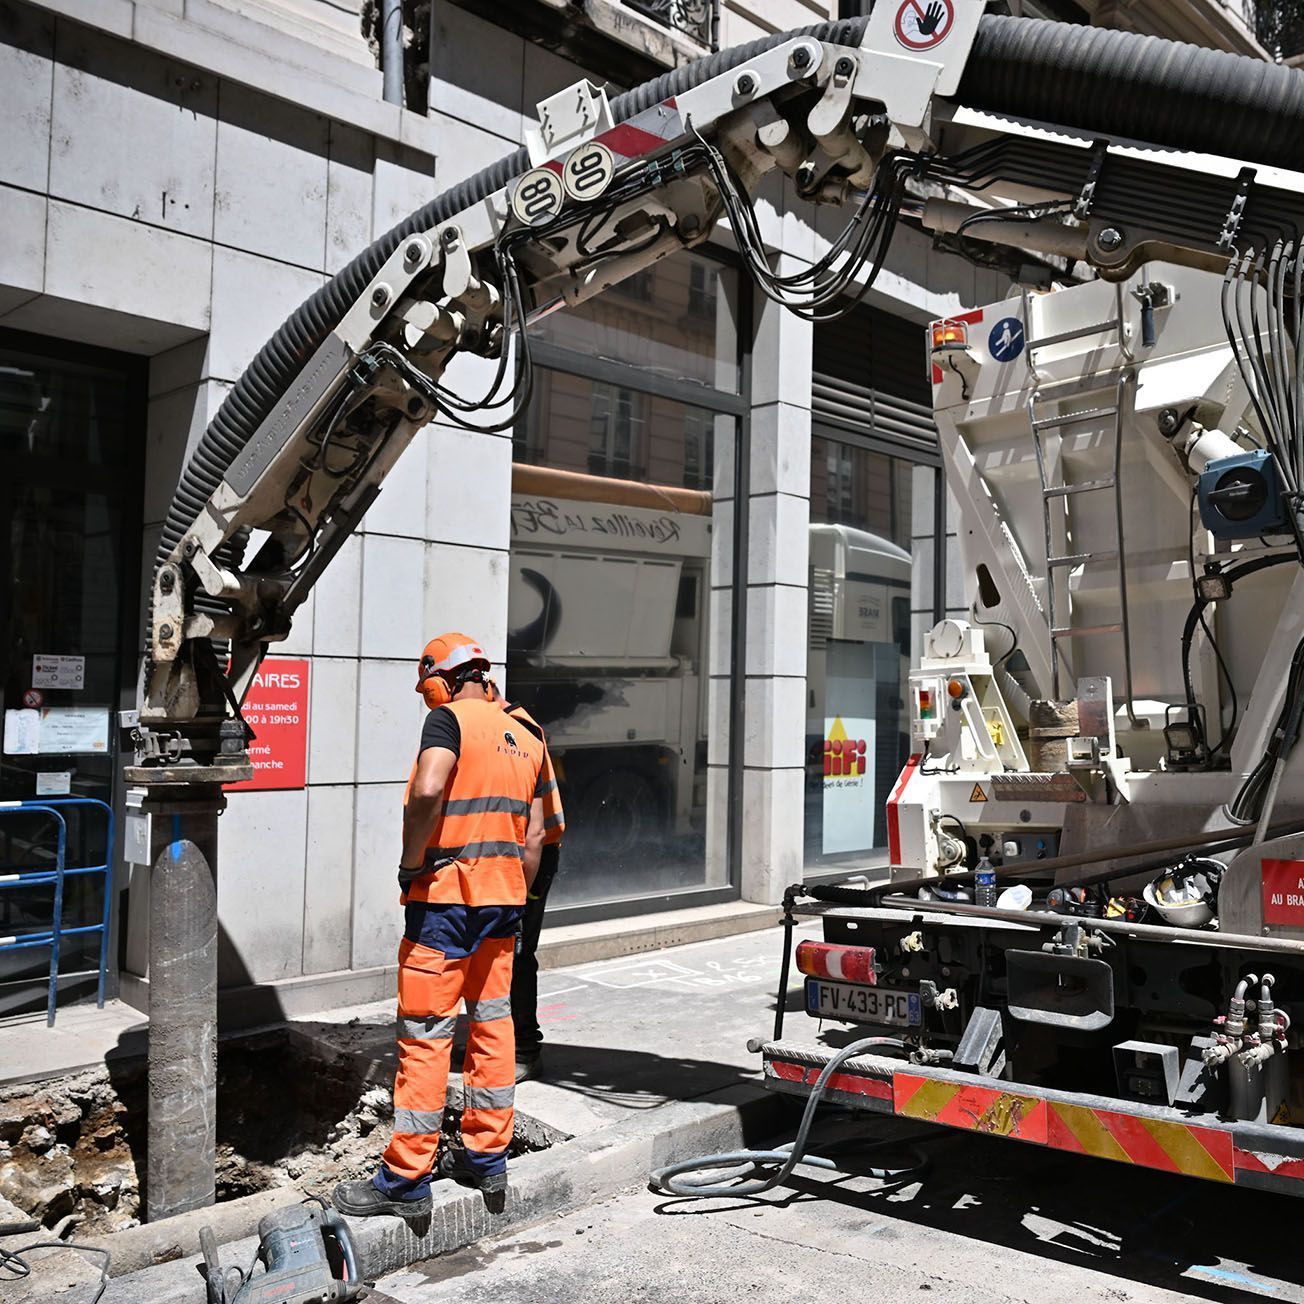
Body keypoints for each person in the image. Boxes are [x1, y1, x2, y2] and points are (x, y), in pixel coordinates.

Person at [333, 633, 545, 1219]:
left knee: (425, 1036)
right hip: (504, 904)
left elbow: (428, 789)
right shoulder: (528, 732)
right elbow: (534, 838)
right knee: (493, 1026)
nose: (429, 701)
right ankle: (485, 1156)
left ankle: (405, 1177)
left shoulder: (448, 721)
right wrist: (513, 894)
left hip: (445, 901)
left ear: (446, 680)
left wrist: (410, 862)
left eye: (429, 690)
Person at [496, 697, 565, 1081]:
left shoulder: (515, 729)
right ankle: (496, 1038)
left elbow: (535, 831)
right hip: (511, 849)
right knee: (495, 949)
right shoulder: (492, 725)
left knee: (518, 952)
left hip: (531, 854)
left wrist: (520, 894)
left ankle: (525, 1048)